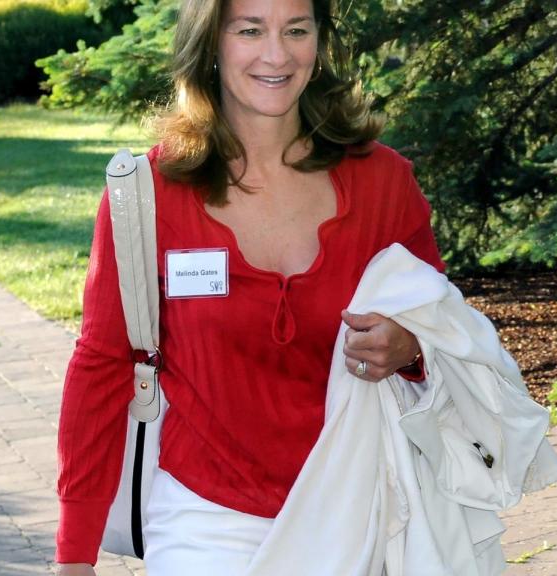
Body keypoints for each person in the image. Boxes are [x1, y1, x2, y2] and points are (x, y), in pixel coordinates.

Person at [56, 0, 443, 574]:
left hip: (361, 511)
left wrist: (410, 347)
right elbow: (102, 362)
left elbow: (446, 334)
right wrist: (74, 555)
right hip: (205, 518)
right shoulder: (150, 195)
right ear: (210, 43)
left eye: (296, 30)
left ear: (319, 41)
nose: (276, 54)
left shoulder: (384, 183)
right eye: (250, 30)